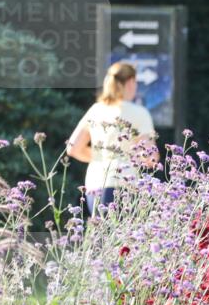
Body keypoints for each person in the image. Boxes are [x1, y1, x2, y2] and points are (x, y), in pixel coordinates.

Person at [66, 62, 158, 218]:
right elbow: (151, 157)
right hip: (123, 186)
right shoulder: (140, 113)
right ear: (130, 82)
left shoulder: (96, 109)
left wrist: (99, 157)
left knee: (101, 238)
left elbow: (73, 148)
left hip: (93, 185)